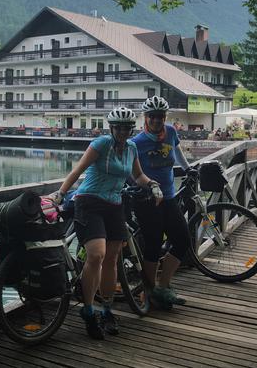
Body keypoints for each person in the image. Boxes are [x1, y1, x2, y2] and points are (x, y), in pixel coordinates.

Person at [51, 107, 162, 340]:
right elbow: (78, 170)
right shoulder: (101, 144)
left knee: (112, 258)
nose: (123, 131)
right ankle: (89, 310)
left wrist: (152, 184)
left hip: (114, 205)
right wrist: (60, 194)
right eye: (119, 127)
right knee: (96, 255)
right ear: (111, 127)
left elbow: (138, 175)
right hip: (89, 202)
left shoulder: (131, 148)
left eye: (127, 128)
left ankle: (108, 310)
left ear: (132, 129)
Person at [131, 95, 194, 309]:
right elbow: (129, 171)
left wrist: (188, 168)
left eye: (160, 116)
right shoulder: (136, 143)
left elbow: (176, 150)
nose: (157, 120)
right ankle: (148, 292)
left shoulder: (171, 132)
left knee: (183, 239)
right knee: (153, 243)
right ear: (145, 117)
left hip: (168, 196)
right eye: (152, 116)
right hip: (146, 200)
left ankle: (163, 286)